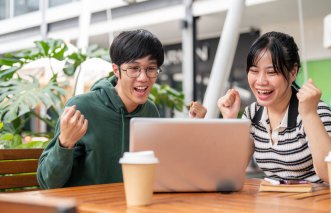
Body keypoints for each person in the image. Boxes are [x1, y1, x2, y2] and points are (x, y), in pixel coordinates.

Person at [37, 29, 206, 189]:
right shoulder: (81, 108)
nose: (143, 78)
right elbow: (47, 182)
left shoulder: (150, 112)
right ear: (116, 70)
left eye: (151, 69)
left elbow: (163, 170)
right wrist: (65, 143)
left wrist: (191, 130)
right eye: (134, 69)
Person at [217, 31, 331, 183]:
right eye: (254, 71)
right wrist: (230, 120)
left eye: (271, 72)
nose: (261, 81)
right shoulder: (253, 114)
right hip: (277, 203)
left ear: (293, 73)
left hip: (322, 203)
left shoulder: (316, 110)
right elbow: (231, 171)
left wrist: (309, 114)